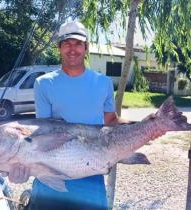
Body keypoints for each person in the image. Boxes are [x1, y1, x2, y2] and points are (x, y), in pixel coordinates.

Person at [8, 21, 128, 210]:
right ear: (59, 48)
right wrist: (18, 165)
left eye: (78, 43)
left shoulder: (103, 82)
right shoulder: (43, 83)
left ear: (86, 47)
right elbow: (43, 132)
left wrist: (148, 127)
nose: (73, 49)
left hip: (90, 172)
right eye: (67, 43)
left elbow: (111, 121)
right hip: (51, 174)